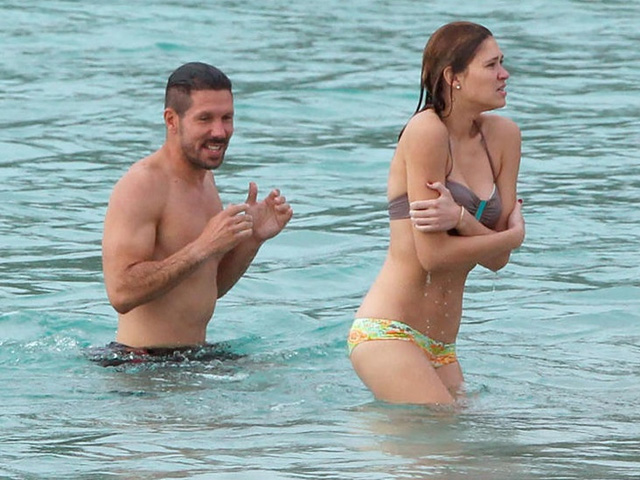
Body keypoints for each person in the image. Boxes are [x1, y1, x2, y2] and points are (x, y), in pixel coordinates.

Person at [348, 22, 525, 404]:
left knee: (473, 441)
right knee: (445, 433)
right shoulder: (426, 132)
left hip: (442, 347)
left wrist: (463, 221)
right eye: (491, 65)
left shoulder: (504, 137)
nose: (504, 74)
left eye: (502, 62)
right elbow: (433, 255)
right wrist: (510, 235)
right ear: (452, 77)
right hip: (389, 332)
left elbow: (498, 259)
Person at [101, 62, 293, 353]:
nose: (220, 131)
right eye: (205, 119)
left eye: (227, 118)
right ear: (172, 120)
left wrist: (253, 239)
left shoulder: (205, 180)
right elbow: (121, 293)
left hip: (194, 356)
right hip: (141, 364)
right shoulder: (142, 184)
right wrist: (203, 247)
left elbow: (207, 285)